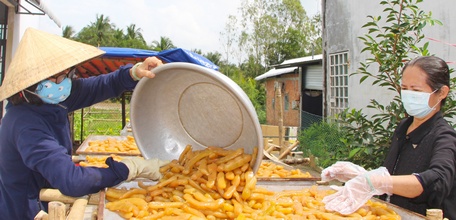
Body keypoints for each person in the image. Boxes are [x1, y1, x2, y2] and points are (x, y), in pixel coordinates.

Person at [0, 28, 168, 219]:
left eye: (68, 74)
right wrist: (128, 169)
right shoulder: (25, 124)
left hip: (45, 196)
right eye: (58, 77)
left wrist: (134, 73)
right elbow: (71, 181)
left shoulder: (51, 99)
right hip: (23, 211)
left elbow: (101, 85)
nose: (66, 82)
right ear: (33, 84)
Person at [321, 56, 456, 219]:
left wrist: (375, 182)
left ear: (441, 92)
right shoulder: (403, 128)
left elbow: (437, 181)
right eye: (404, 88)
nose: (408, 95)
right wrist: (363, 176)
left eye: (416, 90)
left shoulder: (444, 136)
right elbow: (393, 179)